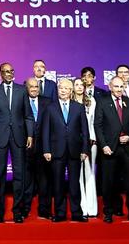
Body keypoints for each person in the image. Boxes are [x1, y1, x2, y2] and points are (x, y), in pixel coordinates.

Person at [0, 62, 34, 223]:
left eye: (11, 71)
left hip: (19, 137)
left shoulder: (22, 90)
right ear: (0, 73)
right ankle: (0, 213)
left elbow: (28, 115)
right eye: (5, 71)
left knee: (19, 175)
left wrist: (30, 135)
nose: (9, 73)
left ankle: (17, 212)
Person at [94, 76, 129, 223]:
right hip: (110, 149)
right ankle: (108, 211)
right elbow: (98, 125)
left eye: (121, 87)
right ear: (110, 86)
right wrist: (104, 145)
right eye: (116, 87)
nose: (119, 90)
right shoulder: (102, 102)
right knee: (109, 182)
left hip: (128, 148)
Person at [42, 78, 90, 222]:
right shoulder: (50, 107)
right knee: (58, 184)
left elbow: (85, 131)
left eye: (65, 88)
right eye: (60, 88)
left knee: (75, 184)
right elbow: (46, 131)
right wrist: (46, 150)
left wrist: (85, 150)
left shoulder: (78, 107)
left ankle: (76, 212)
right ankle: (60, 213)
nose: (62, 91)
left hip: (75, 151)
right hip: (56, 151)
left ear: (71, 91)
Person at [24, 77, 52, 219]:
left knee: (44, 180)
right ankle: (25, 208)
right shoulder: (21, 102)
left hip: (43, 146)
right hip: (25, 147)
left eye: (36, 86)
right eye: (31, 86)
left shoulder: (47, 102)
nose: (34, 89)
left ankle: (44, 209)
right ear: (26, 88)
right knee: (26, 179)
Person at [72, 77, 98, 218]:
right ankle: (82, 207)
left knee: (90, 174)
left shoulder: (91, 101)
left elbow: (93, 122)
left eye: (82, 84)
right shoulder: (69, 102)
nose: (80, 87)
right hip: (74, 142)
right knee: (77, 176)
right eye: (76, 84)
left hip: (90, 142)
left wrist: (92, 139)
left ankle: (92, 208)